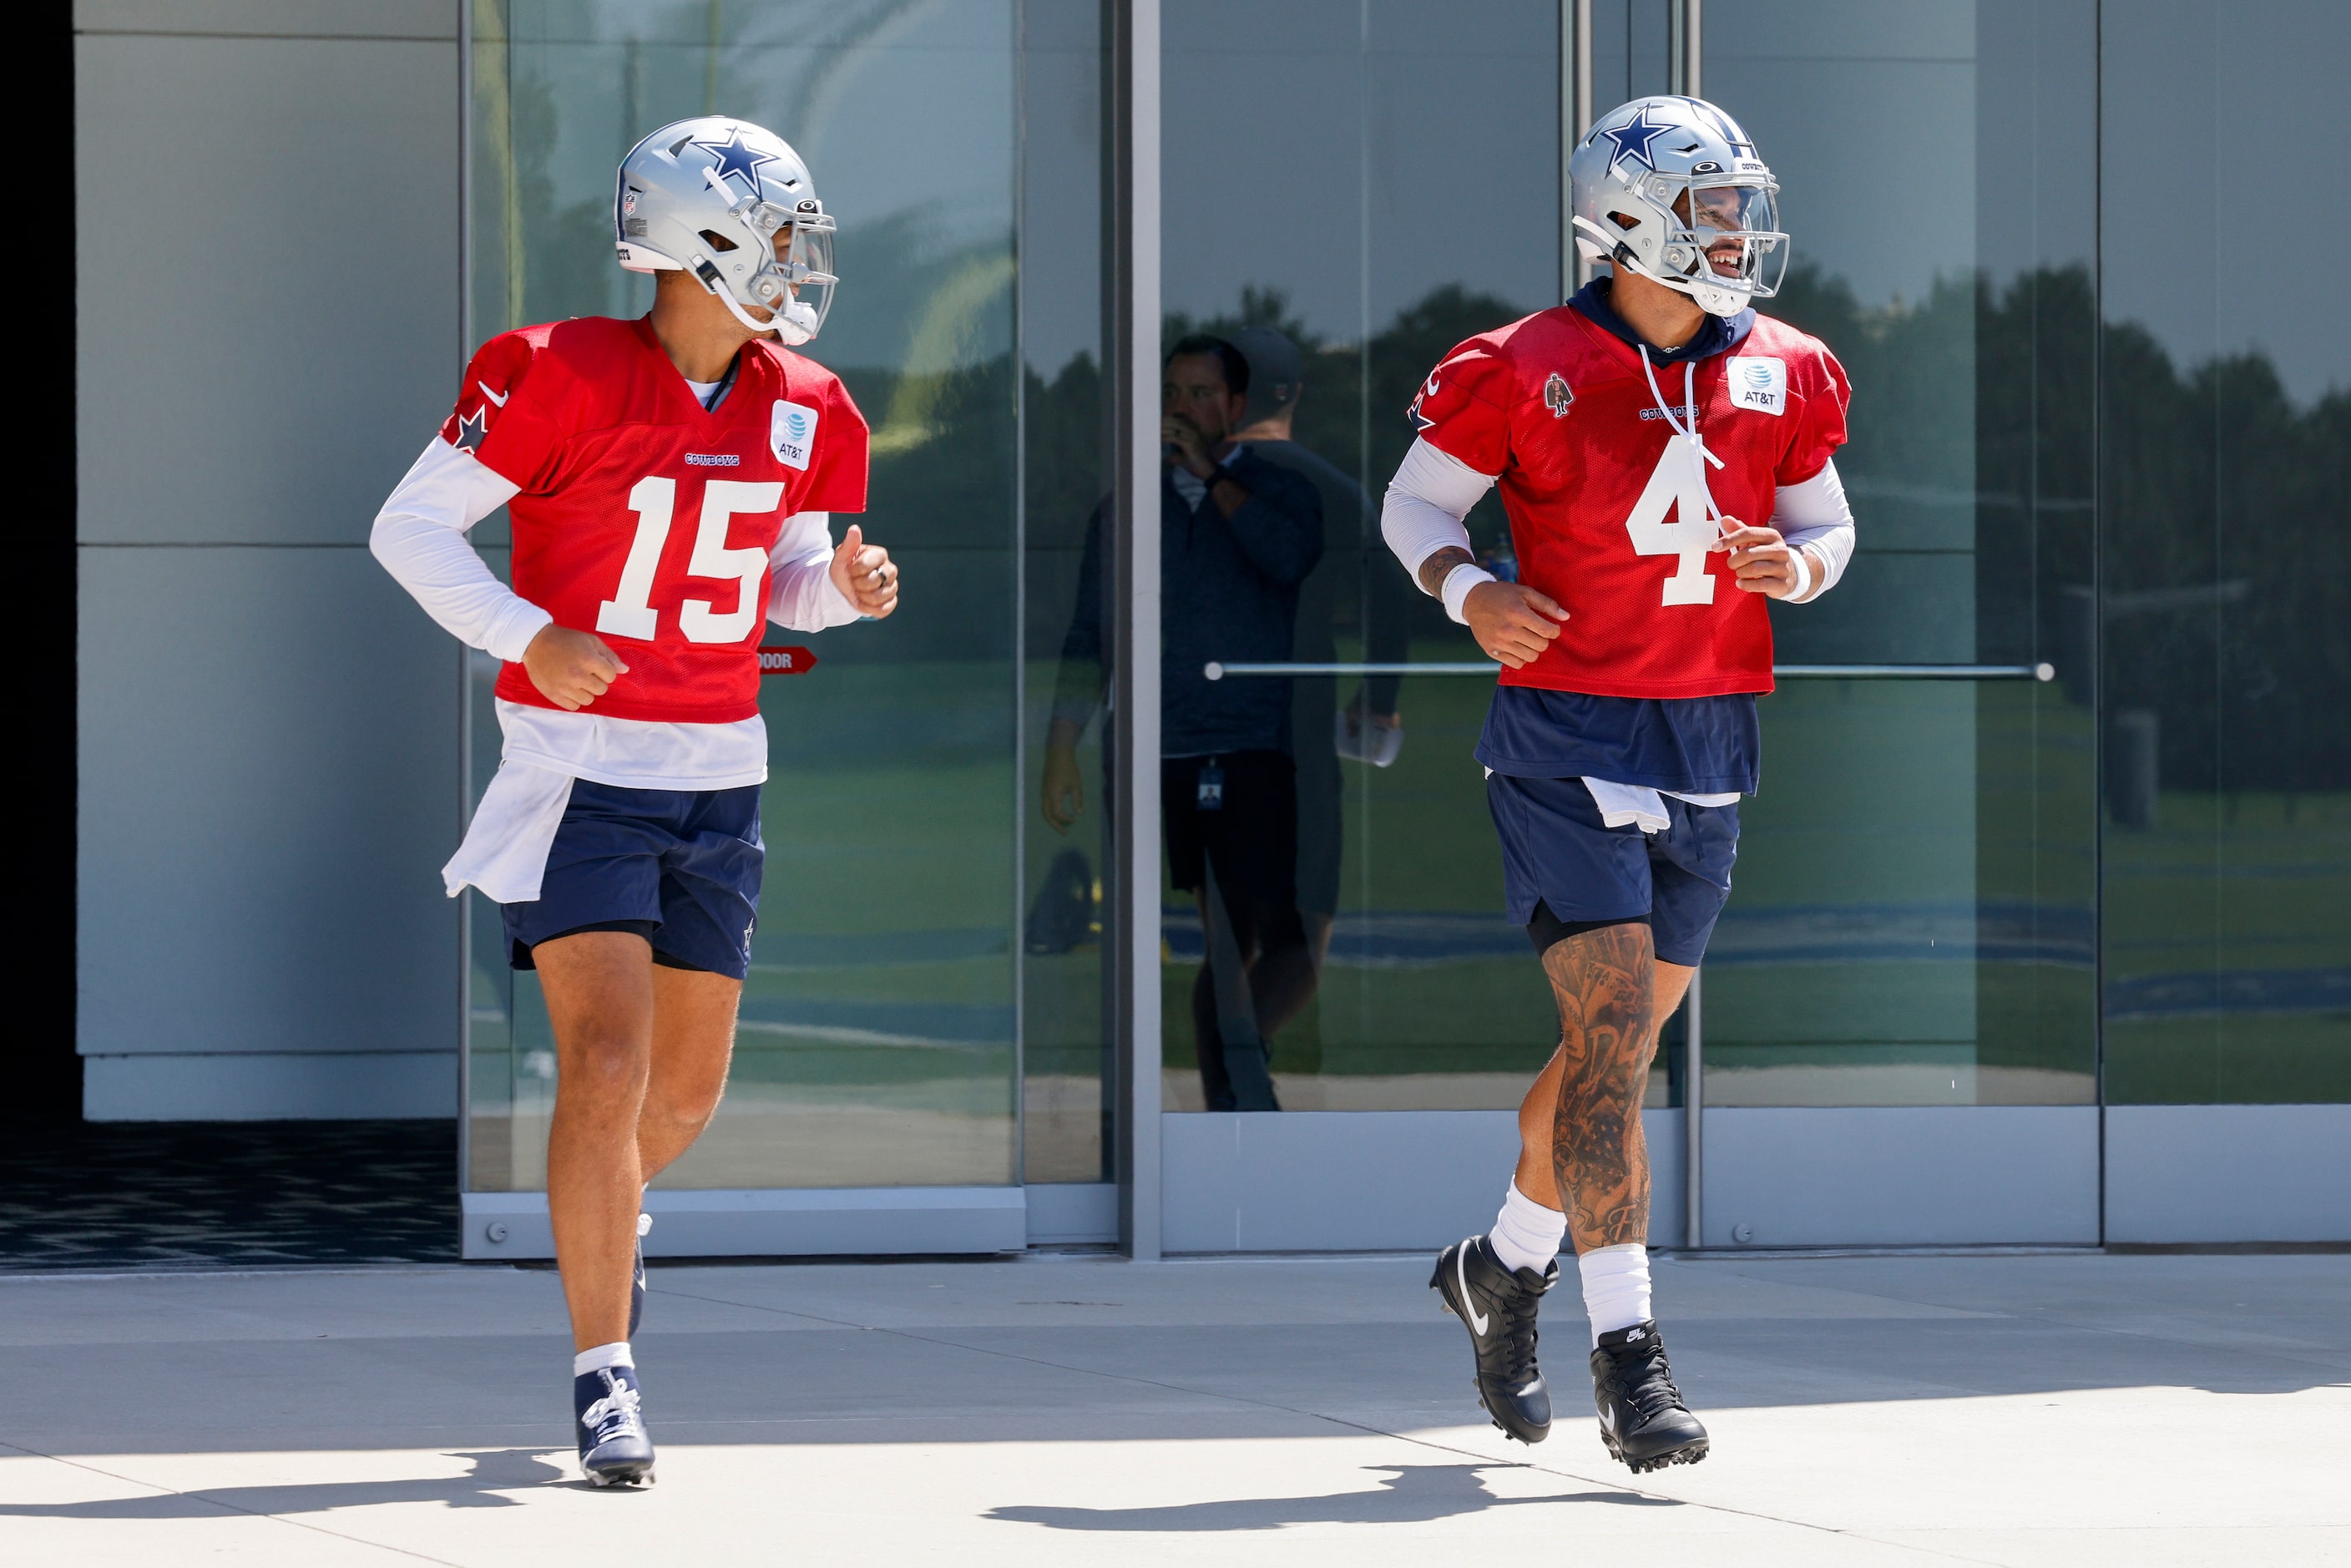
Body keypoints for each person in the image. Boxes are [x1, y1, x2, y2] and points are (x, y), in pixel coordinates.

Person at [370, 117, 899, 1486]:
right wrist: (524, 632)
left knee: (683, 1095)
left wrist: (835, 591)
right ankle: (606, 1375)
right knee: (603, 1066)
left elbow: (775, 585)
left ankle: (615, 1221)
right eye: (779, 232)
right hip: (577, 772)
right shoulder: (551, 371)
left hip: (721, 775)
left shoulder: (810, 403)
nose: (797, 260)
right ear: (700, 238)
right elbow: (410, 528)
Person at [1383, 97, 1854, 1471]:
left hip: (1709, 738)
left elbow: (1826, 522)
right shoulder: (1520, 361)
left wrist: (1799, 567)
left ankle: (1501, 1268)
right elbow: (1415, 506)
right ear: (1633, 217)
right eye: (1712, 207)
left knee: (1617, 1055)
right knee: (1607, 1050)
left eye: (1736, 206)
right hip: (1565, 739)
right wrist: (1468, 590)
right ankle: (1630, 1356)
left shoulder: (1788, 365)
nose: (1736, 232)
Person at [1042, 336, 1322, 1110]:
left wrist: (1210, 475)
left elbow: (1289, 560)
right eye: (1172, 393)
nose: (1182, 409)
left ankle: (1238, 1084)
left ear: (1235, 406)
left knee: (1277, 945)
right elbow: (1085, 640)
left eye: (1201, 394)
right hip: (1154, 757)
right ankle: (1227, 1109)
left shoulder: (1282, 491)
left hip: (1253, 751)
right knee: (1216, 944)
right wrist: (1062, 745)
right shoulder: (1124, 512)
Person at [1226, 326, 1413, 991]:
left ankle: (1229, 1073)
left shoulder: (1173, 491)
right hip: (1298, 734)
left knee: (1227, 930)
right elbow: (1390, 606)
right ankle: (1241, 1072)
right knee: (1302, 939)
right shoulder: (1332, 491)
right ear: (1294, 395)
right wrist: (1380, 699)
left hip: (1194, 731)